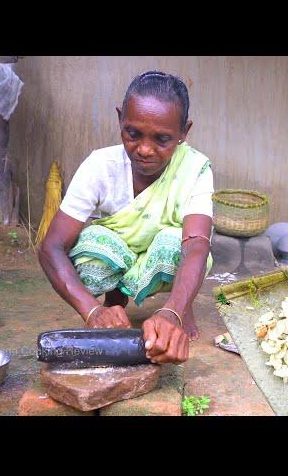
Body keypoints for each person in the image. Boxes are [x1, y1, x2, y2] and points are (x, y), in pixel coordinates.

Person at [38, 71, 213, 365]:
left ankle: (180, 305)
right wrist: (91, 310)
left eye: (162, 139)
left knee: (175, 243)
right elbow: (51, 247)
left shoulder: (195, 168)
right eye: (133, 134)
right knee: (92, 247)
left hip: (163, 253)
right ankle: (113, 300)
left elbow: (196, 245)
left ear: (184, 132)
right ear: (120, 119)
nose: (144, 149)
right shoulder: (100, 166)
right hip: (121, 252)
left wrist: (172, 312)